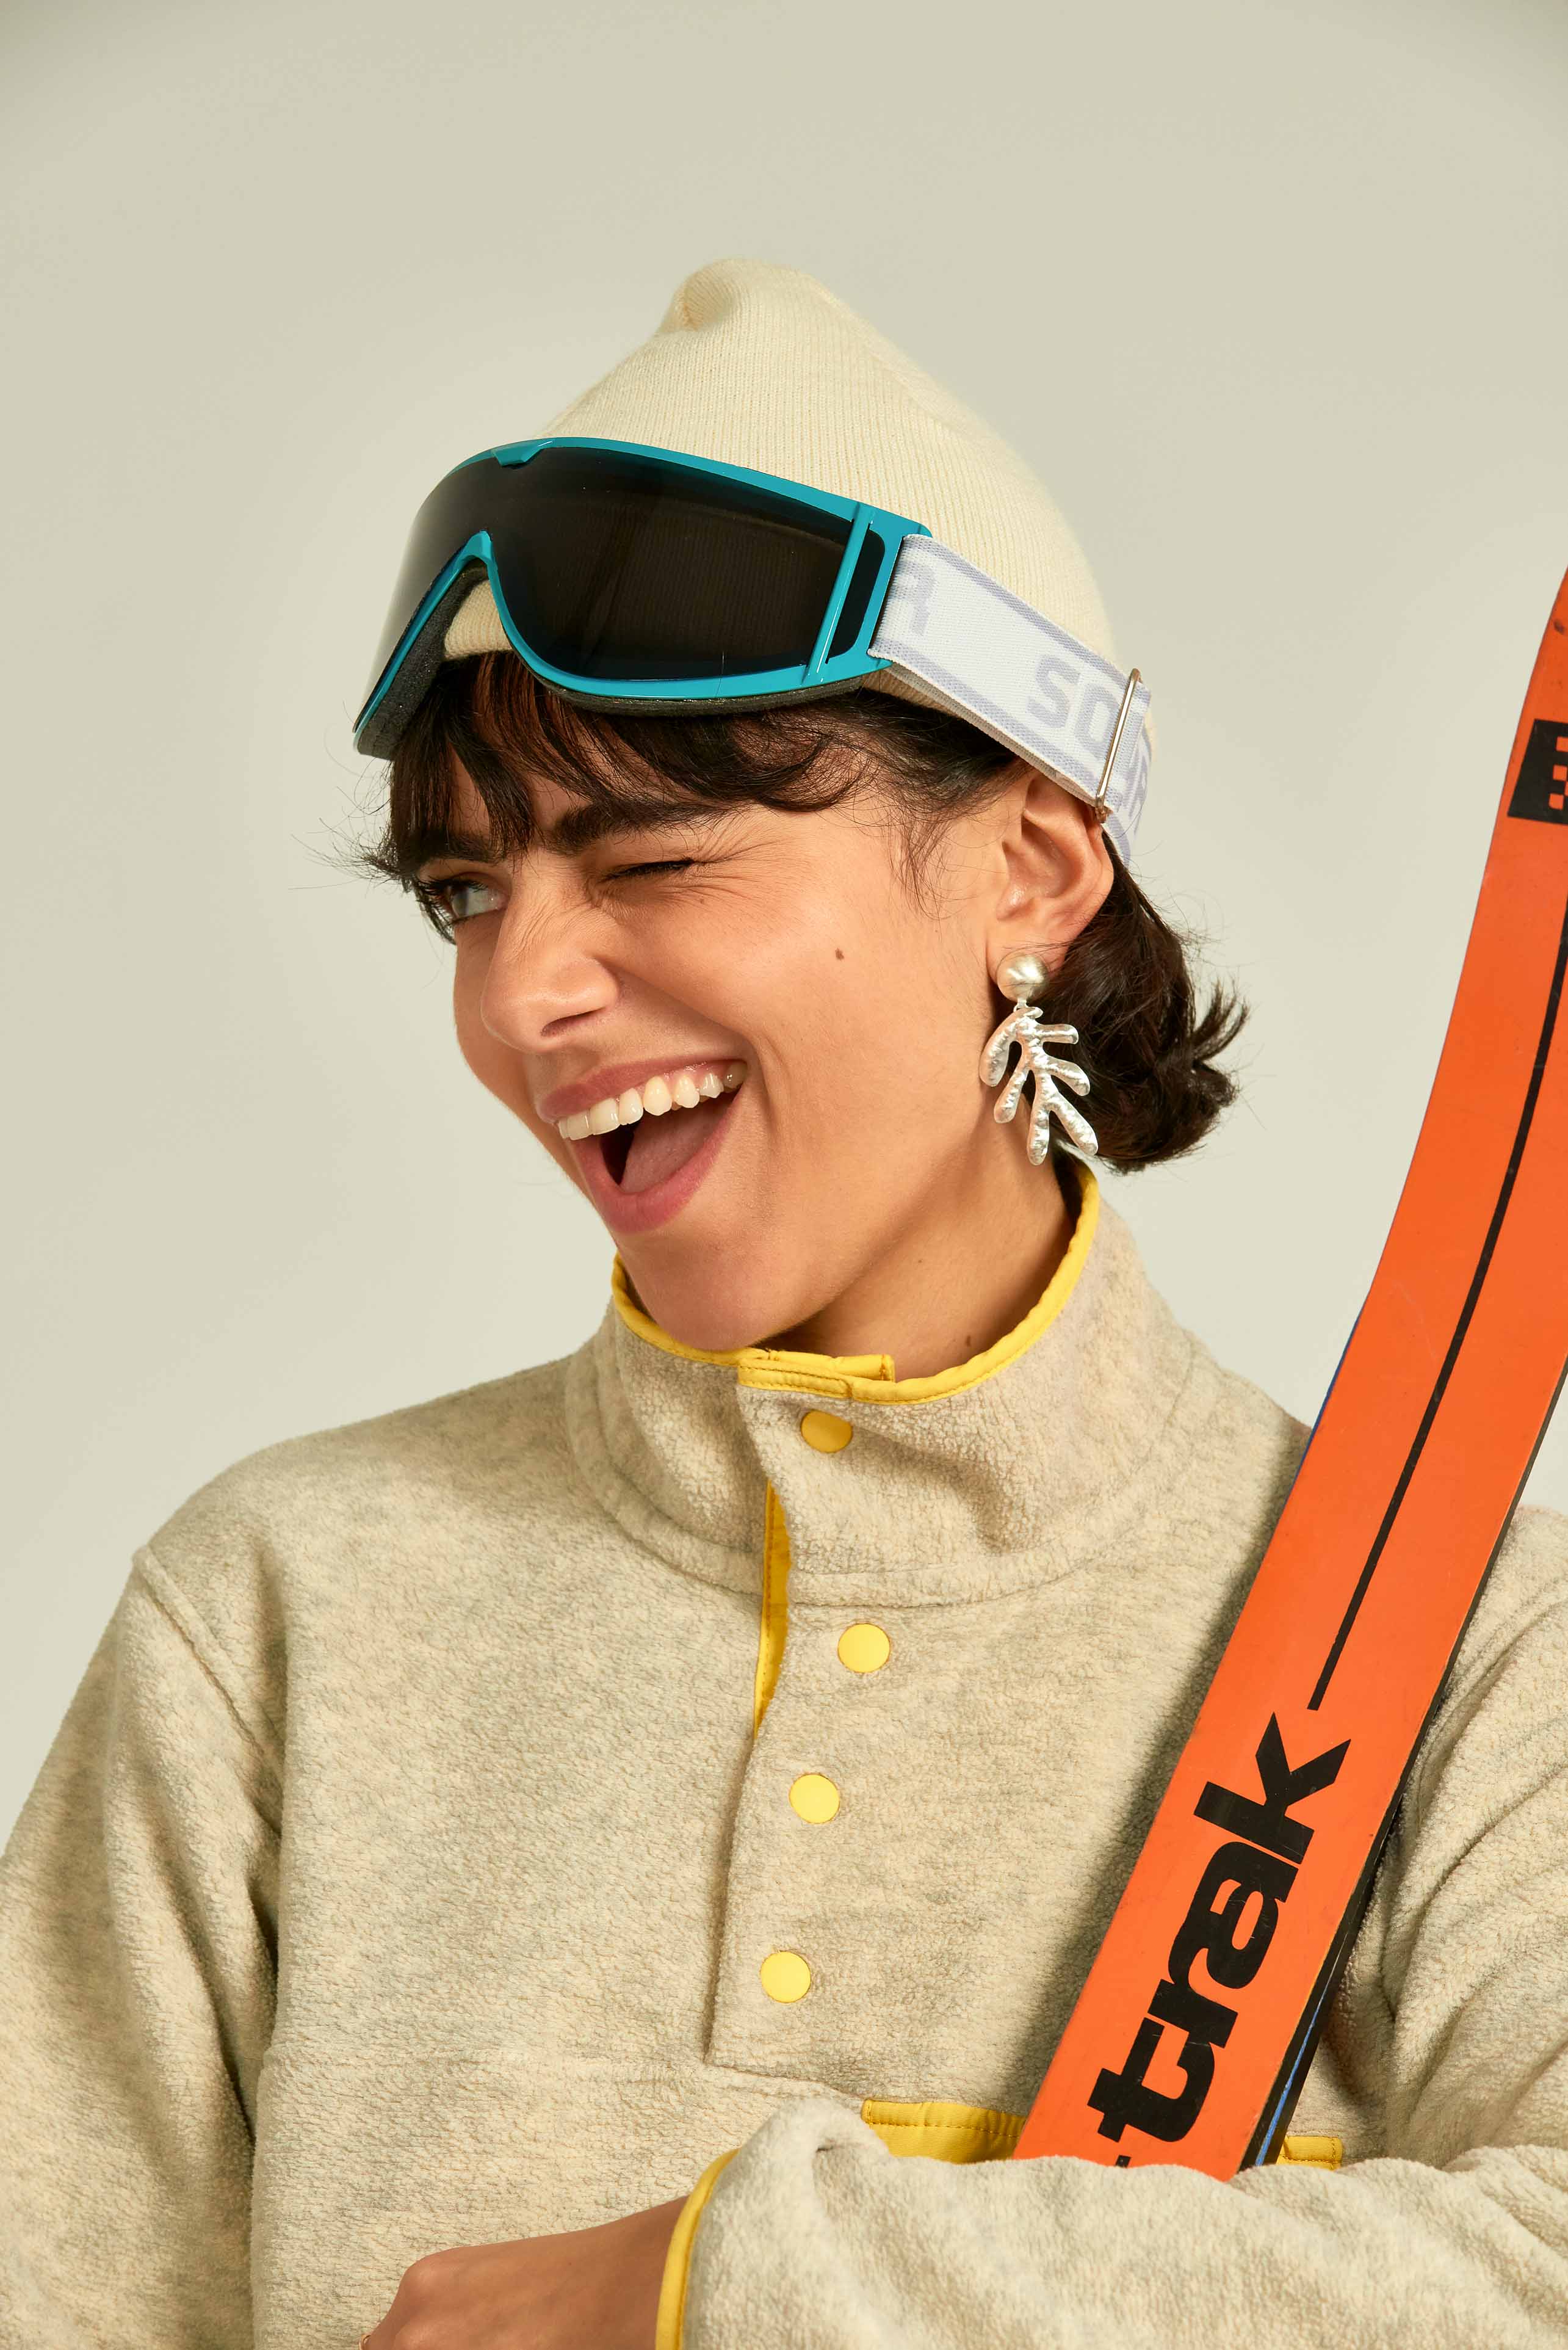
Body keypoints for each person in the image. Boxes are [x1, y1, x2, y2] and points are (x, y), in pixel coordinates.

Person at [3, 256, 1566, 2350]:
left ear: (1029, 867)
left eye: (647, 859)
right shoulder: (276, 1618)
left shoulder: (1468, 1655)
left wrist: (721, 2284)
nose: (519, 995)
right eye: (466, 893)